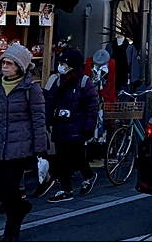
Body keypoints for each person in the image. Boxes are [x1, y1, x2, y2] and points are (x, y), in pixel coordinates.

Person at [0, 44, 47, 240]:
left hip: (19, 147)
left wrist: (40, 150)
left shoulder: (31, 89)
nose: (5, 66)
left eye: (10, 63)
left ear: (20, 67)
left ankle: (11, 231)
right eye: (3, 62)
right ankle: (21, 207)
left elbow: (39, 120)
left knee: (8, 187)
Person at [45, 50, 99, 203]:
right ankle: (66, 189)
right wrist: (47, 120)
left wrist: (89, 127)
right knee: (62, 158)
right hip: (61, 125)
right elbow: (50, 100)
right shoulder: (58, 82)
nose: (60, 67)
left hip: (77, 126)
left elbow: (92, 107)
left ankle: (88, 176)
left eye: (63, 64)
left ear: (72, 66)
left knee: (75, 157)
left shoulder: (84, 82)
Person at [83, 49, 116, 158]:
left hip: (104, 99)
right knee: (91, 121)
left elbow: (112, 82)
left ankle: (100, 151)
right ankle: (90, 151)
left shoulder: (111, 65)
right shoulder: (89, 64)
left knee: (103, 123)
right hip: (91, 99)